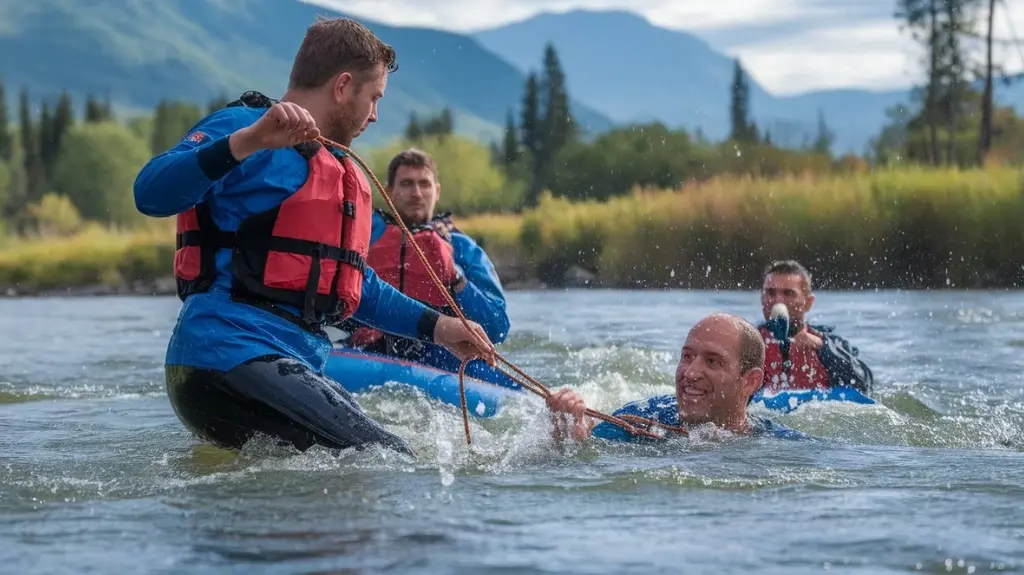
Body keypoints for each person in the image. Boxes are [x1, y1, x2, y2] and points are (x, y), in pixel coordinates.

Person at [132, 17, 495, 457]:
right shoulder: (245, 127)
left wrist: (440, 327)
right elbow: (149, 192)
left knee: (381, 457)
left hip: (289, 362)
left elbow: (355, 285)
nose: (375, 115)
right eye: (374, 98)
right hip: (227, 356)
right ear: (343, 86)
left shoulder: (342, 172)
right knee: (387, 460)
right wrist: (247, 142)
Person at [339, 148, 510, 372]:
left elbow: (497, 329)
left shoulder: (463, 248)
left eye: (424, 184)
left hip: (443, 361)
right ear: (389, 191)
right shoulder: (363, 236)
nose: (417, 193)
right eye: (407, 184)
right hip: (370, 353)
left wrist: (455, 279)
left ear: (436, 191)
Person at [545, 313, 807, 443]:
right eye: (687, 356)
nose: (690, 373)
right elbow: (590, 450)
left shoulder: (778, 442)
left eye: (712, 362)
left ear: (750, 381)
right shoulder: (645, 417)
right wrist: (568, 438)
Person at [757, 260, 874, 394]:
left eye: (788, 293)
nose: (778, 301)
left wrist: (823, 347)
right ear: (762, 298)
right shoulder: (747, 343)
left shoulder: (831, 344)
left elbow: (865, 385)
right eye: (770, 293)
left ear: (808, 303)